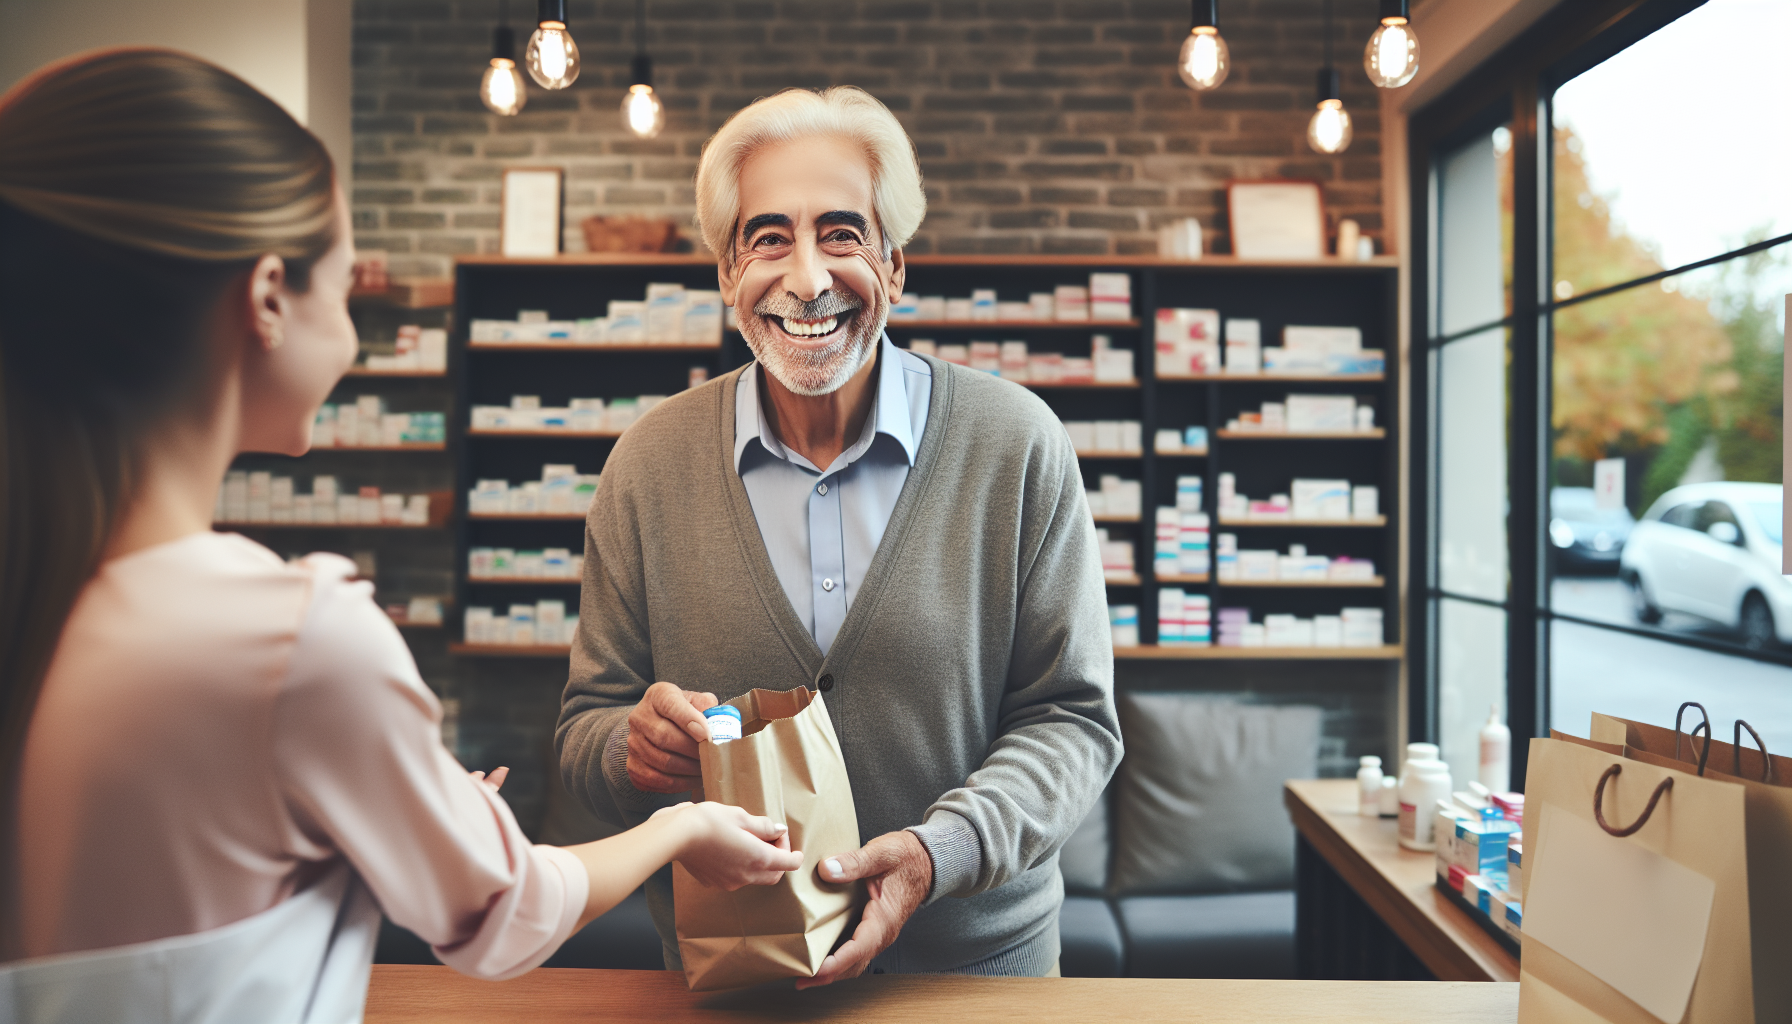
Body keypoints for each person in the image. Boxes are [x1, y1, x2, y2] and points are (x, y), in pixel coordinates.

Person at [0, 49, 801, 1021]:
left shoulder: (49, 592)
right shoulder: (292, 637)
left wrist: (368, 798)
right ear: (264, 300)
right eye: (339, 290)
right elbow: (508, 915)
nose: (347, 335)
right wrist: (685, 824)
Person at [557, 86, 1123, 985]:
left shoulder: (1016, 445)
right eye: (769, 237)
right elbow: (585, 731)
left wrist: (940, 854)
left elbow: (1073, 719)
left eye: (843, 235)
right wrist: (632, 745)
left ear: (894, 266)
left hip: (975, 976)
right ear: (726, 275)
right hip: (737, 974)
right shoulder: (647, 467)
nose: (809, 278)